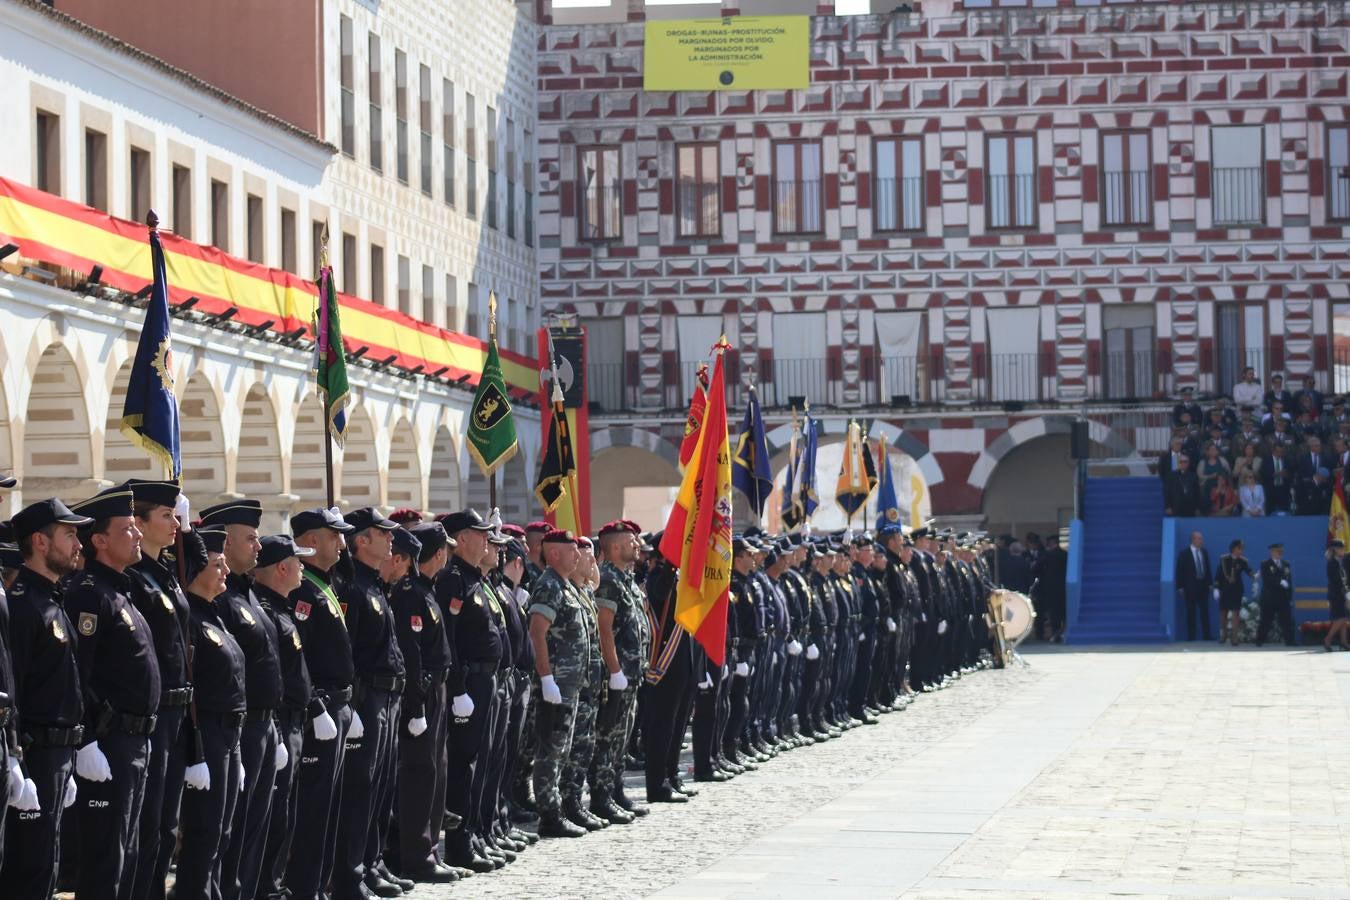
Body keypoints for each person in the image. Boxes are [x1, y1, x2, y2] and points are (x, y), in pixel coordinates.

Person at [64, 487, 161, 900]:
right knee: (106, 857)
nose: (137, 534)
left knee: (130, 852)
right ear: (99, 540)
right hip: (110, 740)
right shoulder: (88, 593)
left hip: (136, 739)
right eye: (127, 528)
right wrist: (86, 740)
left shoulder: (121, 590)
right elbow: (77, 674)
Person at [2, 498, 90, 898]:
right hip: (36, 752)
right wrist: (16, 758)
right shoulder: (23, 606)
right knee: (29, 870)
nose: (78, 544)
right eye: (69, 534)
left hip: (58, 754)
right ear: (39, 541)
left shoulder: (52, 600)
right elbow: (12, 687)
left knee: (47, 868)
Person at [200, 500, 282, 900]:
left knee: (255, 829)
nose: (258, 547)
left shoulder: (248, 594)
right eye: (249, 539)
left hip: (264, 726)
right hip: (239, 726)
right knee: (230, 831)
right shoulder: (221, 600)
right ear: (225, 543)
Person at [122, 479, 193, 900]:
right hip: (154, 712)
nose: (174, 523)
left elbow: (198, 562)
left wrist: (186, 527)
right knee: (147, 826)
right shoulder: (135, 577)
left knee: (166, 827)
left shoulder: (164, 570)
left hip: (178, 713)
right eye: (166, 516)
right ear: (139, 522)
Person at [333, 507, 406, 900]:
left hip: (387, 696)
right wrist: (356, 707)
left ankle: (371, 864)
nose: (390, 539)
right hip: (367, 696)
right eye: (383, 533)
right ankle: (349, 874)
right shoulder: (353, 588)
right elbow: (350, 652)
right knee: (359, 789)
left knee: (379, 787)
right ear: (362, 540)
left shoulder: (375, 584)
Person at [284, 508, 356, 900]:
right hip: (321, 710)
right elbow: (301, 658)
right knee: (313, 809)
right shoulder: (304, 593)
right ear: (312, 541)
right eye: (335, 536)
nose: (343, 545)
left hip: (340, 707)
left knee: (331, 808)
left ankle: (321, 886)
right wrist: (317, 707)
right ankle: (305, 888)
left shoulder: (325, 585)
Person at [175, 527, 247, 900]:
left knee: (222, 829)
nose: (224, 572)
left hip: (229, 735)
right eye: (216, 565)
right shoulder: (190, 619)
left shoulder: (213, 615)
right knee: (204, 829)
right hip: (208, 734)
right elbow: (192, 690)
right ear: (196, 570)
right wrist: (196, 751)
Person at [251, 534, 323, 900]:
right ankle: (267, 888)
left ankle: (275, 885)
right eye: (298, 561)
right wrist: (278, 732)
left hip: (295, 721)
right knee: (274, 814)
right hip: (281, 724)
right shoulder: (267, 611)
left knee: (287, 812)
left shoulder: (281, 608)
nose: (303, 567)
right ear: (282, 567)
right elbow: (272, 681)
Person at [387, 522, 458, 883]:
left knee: (435, 772)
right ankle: (416, 854)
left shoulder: (426, 590)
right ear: (439, 553)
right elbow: (411, 654)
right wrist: (415, 707)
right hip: (423, 693)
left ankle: (429, 848)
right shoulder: (410, 593)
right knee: (419, 774)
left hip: (437, 691)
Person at [433, 508, 502, 872]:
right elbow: (451, 640)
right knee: (463, 765)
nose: (487, 540)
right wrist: (458, 687)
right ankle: (459, 845)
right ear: (461, 539)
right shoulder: (452, 581)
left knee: (481, 761)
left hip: (486, 681)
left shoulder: (475, 579)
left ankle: (474, 834)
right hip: (470, 683)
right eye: (480, 534)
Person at [527, 529, 591, 838]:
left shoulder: (565, 586)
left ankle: (559, 808)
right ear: (553, 554)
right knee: (550, 750)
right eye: (571, 550)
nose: (577, 555)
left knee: (561, 748)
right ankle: (549, 814)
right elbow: (537, 632)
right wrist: (547, 678)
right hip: (555, 685)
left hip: (570, 684)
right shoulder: (549, 585)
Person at [589, 520, 649, 824]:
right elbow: (604, 627)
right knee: (609, 736)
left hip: (632, 673)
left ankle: (616, 790)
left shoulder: (626, 577)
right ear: (613, 547)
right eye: (630, 542)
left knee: (622, 738)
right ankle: (601, 796)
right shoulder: (609, 579)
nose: (637, 546)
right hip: (618, 674)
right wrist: (614, 670)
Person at [1256, 543, 1295, 647]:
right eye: (1278, 551)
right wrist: (1280, 582)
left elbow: (1289, 581)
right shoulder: (1265, 564)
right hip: (1270, 597)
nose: (1280, 553)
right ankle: (1259, 640)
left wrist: (1289, 596)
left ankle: (1290, 641)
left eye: (1281, 551)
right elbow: (1267, 579)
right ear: (1272, 552)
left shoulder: (1286, 564)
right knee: (1266, 620)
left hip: (1283, 598)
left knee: (1286, 620)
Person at [1175, 531, 1213, 641]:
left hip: (1203, 586)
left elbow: (1208, 569)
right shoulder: (1184, 554)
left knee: (1204, 611)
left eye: (1201, 538)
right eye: (1199, 539)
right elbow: (1179, 570)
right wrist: (1180, 586)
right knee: (1191, 612)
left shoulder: (1204, 552)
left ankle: (1207, 635)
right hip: (1190, 586)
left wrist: (1210, 583)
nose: (1201, 541)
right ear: (1193, 540)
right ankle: (1191, 636)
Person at [1215, 539, 1252, 646]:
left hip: (1236, 590)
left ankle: (1234, 637)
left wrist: (1254, 575)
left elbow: (1248, 570)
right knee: (1223, 613)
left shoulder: (1243, 561)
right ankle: (1223, 634)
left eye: (1242, 549)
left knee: (1236, 613)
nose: (1241, 551)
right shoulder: (1224, 559)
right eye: (1239, 548)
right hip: (1225, 590)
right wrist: (1216, 588)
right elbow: (1218, 575)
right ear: (1234, 549)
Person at [1032, 535, 1068, 641]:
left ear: (1051, 543)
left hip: (1049, 588)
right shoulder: (1065, 555)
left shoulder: (1047, 555)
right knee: (1062, 611)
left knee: (1053, 612)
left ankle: (1054, 632)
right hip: (1062, 587)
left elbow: (1036, 568)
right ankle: (1061, 632)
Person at [1325, 541, 1349, 651]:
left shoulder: (1339, 562)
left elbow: (1344, 579)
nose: (1343, 550)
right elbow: (1337, 580)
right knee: (1341, 618)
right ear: (1335, 549)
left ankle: (1343, 642)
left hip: (1340, 594)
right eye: (1341, 548)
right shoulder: (1332, 563)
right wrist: (1346, 591)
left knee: (1343, 618)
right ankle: (1328, 639)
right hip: (1336, 594)